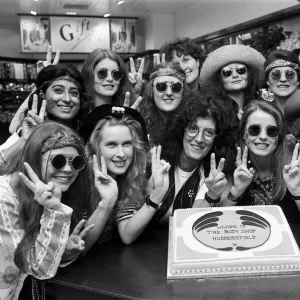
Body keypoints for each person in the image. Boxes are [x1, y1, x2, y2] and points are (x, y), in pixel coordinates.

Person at [116, 95, 237, 244]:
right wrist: (155, 196)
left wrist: (211, 196)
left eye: (209, 133)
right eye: (193, 128)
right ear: (181, 130)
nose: (199, 139)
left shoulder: (211, 174)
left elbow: (192, 227)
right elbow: (126, 236)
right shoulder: (150, 163)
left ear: (216, 140)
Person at [0, 122, 93, 300]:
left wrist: (64, 252)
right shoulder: (4, 198)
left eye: (76, 162)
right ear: (34, 159)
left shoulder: (48, 191)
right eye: (58, 161)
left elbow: (40, 257)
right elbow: (36, 268)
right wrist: (56, 213)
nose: (67, 169)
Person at [79, 104, 149, 245]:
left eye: (127, 144)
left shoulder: (130, 179)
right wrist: (106, 204)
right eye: (111, 145)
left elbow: (127, 236)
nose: (121, 154)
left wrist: (156, 196)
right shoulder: (80, 182)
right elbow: (81, 246)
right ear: (95, 148)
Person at [224, 100, 300, 223]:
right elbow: (219, 220)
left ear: (278, 136)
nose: (263, 137)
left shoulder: (294, 167)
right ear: (244, 133)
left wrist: (297, 192)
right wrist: (236, 191)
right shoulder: (232, 165)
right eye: (254, 129)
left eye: (271, 131)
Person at [200, 44, 265, 120]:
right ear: (220, 79)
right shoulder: (214, 113)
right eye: (227, 72)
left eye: (241, 70)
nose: (235, 75)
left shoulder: (261, 107)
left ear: (248, 74)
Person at [139, 61, 188, 145]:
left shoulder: (191, 125)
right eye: (161, 86)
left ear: (183, 91)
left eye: (176, 87)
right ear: (151, 91)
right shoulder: (140, 125)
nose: (169, 93)